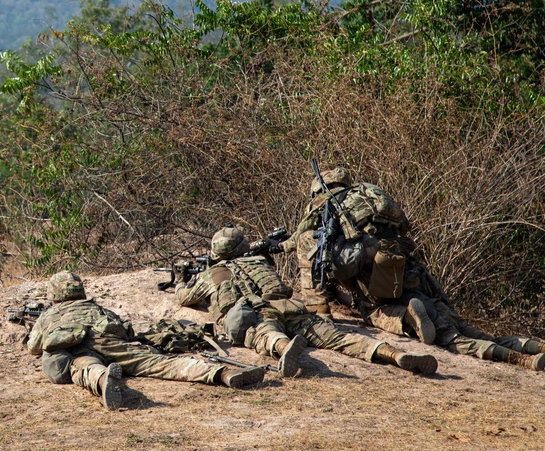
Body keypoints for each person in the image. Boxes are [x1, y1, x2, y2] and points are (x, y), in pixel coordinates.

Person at [283, 165, 545, 371]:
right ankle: (535, 346)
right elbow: (406, 229)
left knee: (446, 337)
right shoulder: (370, 193)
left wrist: (278, 247)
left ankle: (522, 361)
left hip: (375, 287)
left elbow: (301, 242)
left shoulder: (323, 205)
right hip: (407, 271)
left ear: (319, 188)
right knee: (464, 327)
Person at [174, 227, 438, 377]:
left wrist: (178, 281)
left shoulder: (211, 275)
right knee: (338, 337)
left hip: (256, 312)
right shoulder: (258, 260)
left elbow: (185, 297)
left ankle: (285, 347)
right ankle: (394, 353)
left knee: (264, 335)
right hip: (290, 306)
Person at [27, 271, 265, 411]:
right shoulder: (96, 307)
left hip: (79, 349)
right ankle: (221, 373)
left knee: (86, 367)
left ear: (54, 295)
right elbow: (124, 331)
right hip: (114, 343)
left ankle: (102, 379)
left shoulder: (50, 314)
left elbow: (34, 347)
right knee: (164, 364)